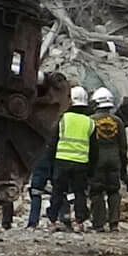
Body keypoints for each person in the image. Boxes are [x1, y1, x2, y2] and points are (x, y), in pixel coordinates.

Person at [50, 85, 94, 231]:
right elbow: (95, 148)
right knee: (79, 193)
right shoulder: (90, 122)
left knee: (58, 191)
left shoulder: (62, 119)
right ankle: (79, 221)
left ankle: (55, 219)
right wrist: (91, 168)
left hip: (62, 161)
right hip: (81, 163)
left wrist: (51, 162)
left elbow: (53, 142)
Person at [88, 87, 128, 233]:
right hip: (114, 160)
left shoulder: (90, 121)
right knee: (113, 191)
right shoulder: (118, 121)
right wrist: (123, 166)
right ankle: (114, 223)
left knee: (96, 191)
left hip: (97, 160)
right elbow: (123, 147)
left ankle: (99, 224)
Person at [26, 149, 54, 229]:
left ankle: (33, 222)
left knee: (36, 193)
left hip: (39, 161)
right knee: (59, 192)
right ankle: (57, 219)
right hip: (57, 160)